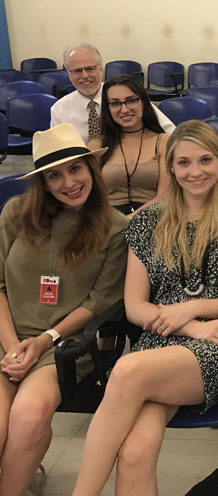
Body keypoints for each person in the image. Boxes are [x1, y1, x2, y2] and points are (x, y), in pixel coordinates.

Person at [71, 121, 218, 496]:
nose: (195, 171)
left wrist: (193, 308)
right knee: (134, 452)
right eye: (184, 163)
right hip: (163, 340)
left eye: (205, 160)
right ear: (172, 168)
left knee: (126, 369)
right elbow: (134, 306)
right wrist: (189, 324)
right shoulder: (147, 221)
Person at [0, 124, 128, 496]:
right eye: (54, 175)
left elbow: (99, 302)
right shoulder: (13, 214)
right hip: (7, 337)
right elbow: (0, 287)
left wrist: (42, 342)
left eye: (76, 169)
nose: (68, 182)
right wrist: (12, 347)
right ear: (42, 182)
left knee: (30, 415)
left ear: (91, 169)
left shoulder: (114, 227)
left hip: (62, 347)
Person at [50, 43, 174, 144]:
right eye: (77, 71)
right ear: (69, 75)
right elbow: (57, 151)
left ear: (100, 69)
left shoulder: (125, 96)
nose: (85, 76)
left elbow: (169, 131)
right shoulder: (59, 110)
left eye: (90, 68)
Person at [87, 75, 169, 216]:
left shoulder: (163, 141)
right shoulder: (97, 145)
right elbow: (91, 197)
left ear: (143, 102)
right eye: (115, 103)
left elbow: (164, 197)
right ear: (108, 109)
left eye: (131, 101)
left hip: (153, 219)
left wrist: (129, 221)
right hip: (107, 221)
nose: (124, 109)